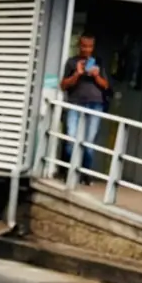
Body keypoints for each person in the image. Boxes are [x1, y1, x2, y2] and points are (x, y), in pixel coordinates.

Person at [59, 34, 111, 183]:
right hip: (75, 102)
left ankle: (86, 175)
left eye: (89, 46)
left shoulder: (98, 62)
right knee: (70, 138)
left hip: (95, 103)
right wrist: (77, 73)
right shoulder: (72, 62)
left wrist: (96, 75)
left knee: (89, 141)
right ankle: (68, 171)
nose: (86, 50)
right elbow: (63, 85)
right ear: (79, 46)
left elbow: (105, 85)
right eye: (84, 46)